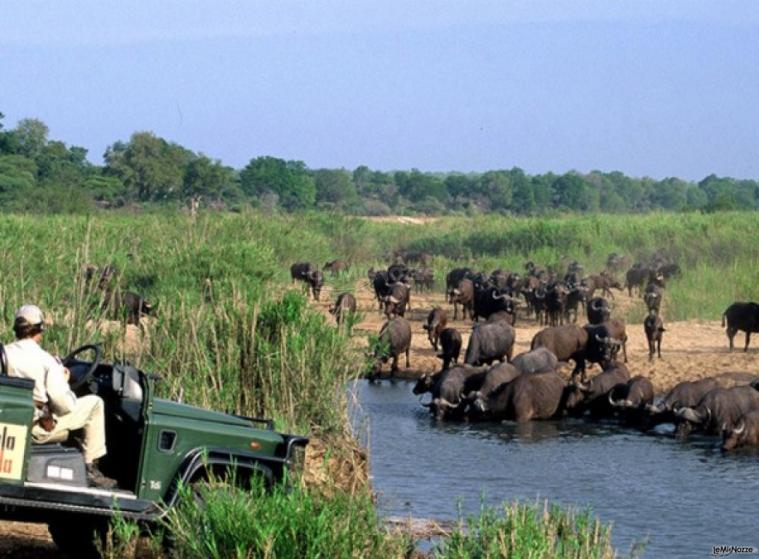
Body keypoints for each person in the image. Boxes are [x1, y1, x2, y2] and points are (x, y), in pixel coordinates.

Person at [4, 304, 117, 489]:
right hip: (36, 428)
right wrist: (64, 381)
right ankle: (90, 468)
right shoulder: (46, 361)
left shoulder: (5, 353)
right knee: (95, 404)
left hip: (12, 422)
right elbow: (65, 405)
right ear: (39, 330)